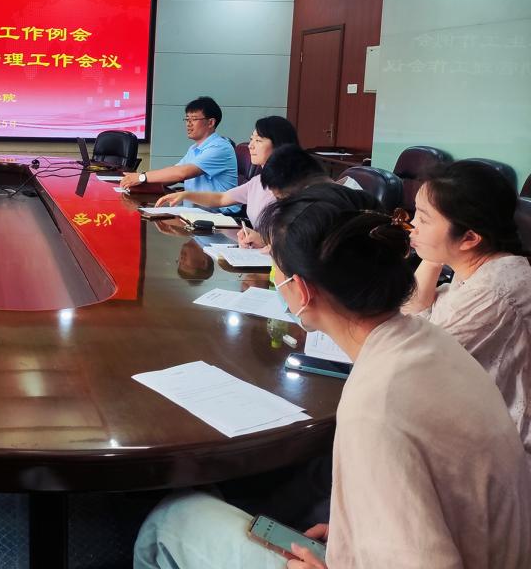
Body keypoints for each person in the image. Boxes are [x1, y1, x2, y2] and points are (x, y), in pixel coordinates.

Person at [134, 183, 531, 568]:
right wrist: (353, 535)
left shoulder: (375, 408)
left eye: (276, 269)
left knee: (173, 517)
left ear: (301, 290)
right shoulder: (431, 339)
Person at [401, 160, 531, 459]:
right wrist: (434, 255)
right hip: (470, 428)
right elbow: (416, 309)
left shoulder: (493, 294)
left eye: (424, 219)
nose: (411, 225)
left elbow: (415, 362)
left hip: (503, 454)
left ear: (470, 238)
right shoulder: (479, 266)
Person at [154, 116, 299, 225]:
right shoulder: (257, 182)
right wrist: (186, 195)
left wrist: (262, 240)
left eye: (258, 140)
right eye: (251, 139)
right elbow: (221, 198)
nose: (251, 145)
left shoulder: (291, 186)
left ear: (279, 145)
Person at [119, 97, 236, 197]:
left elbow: (182, 173)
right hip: (194, 210)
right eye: (187, 119)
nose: (188, 124)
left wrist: (142, 177)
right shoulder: (194, 148)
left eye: (194, 119)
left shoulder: (220, 147)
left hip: (217, 213)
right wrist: (139, 183)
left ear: (211, 122)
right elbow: (174, 175)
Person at [235, 144, 328, 249]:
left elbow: (307, 248)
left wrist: (273, 246)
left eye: (282, 197)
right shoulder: (314, 197)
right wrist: (265, 241)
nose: (282, 203)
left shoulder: (326, 208)